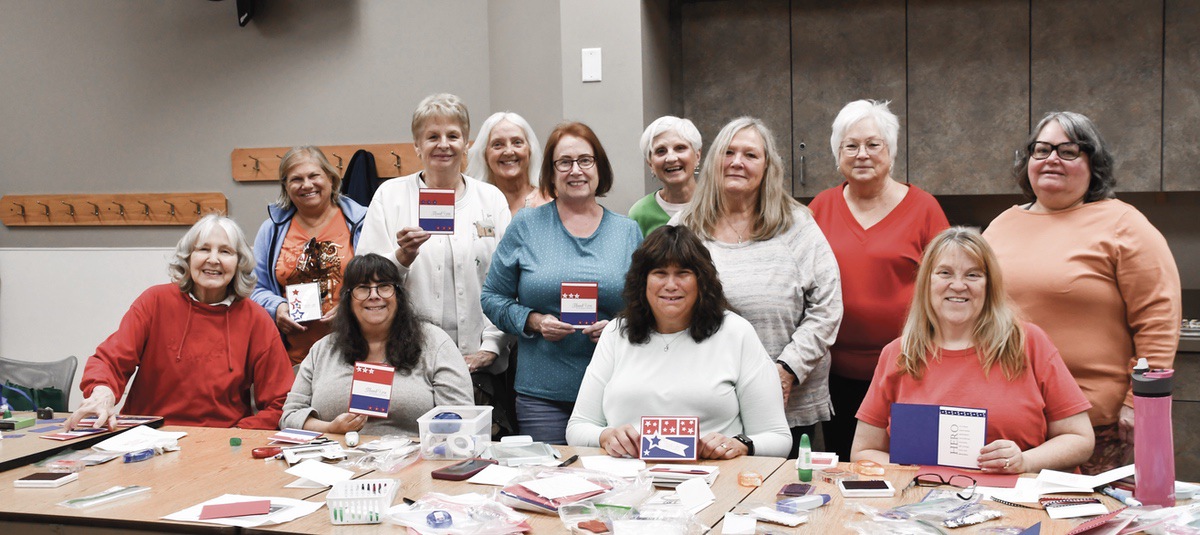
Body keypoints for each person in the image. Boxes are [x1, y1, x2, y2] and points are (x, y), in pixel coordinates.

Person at [983, 111, 1181, 474]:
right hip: (1010, 421)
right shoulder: (1001, 225)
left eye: (1068, 150)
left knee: (1085, 526)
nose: (1051, 159)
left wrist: (1138, 402)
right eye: (1041, 150)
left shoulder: (1124, 224)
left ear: (1094, 161)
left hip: (1094, 425)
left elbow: (1158, 318)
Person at [852, 227, 1094, 473]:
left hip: (1019, 500)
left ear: (990, 285)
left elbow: (1080, 439)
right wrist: (917, 472)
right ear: (927, 282)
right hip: (925, 503)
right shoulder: (899, 353)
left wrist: (1025, 461)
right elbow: (863, 451)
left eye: (973, 275)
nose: (958, 285)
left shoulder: (1028, 342)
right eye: (945, 273)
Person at [673, 116, 842, 457]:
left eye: (750, 155)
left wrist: (786, 370)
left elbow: (827, 306)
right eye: (729, 152)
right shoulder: (684, 227)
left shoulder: (796, 226)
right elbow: (662, 305)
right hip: (708, 401)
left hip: (789, 400)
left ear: (767, 167)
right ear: (712, 162)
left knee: (786, 503)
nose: (737, 162)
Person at [565, 225, 791, 458]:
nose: (671, 285)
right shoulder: (616, 333)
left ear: (701, 281)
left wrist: (741, 444)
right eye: (660, 273)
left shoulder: (736, 332)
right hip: (628, 481)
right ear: (642, 282)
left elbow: (777, 437)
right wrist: (604, 437)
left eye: (683, 273)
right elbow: (578, 427)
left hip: (714, 480)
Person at [481, 121, 643, 444]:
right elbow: (492, 297)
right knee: (548, 483)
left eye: (585, 160)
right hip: (543, 393)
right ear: (551, 173)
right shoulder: (526, 225)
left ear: (599, 167)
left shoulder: (627, 232)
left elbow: (647, 309)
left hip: (613, 392)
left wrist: (615, 327)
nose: (576, 171)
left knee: (610, 482)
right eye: (564, 162)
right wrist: (534, 321)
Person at [809, 100, 949, 459]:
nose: (862, 154)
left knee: (908, 464)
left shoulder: (924, 208)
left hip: (910, 369)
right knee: (847, 467)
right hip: (834, 375)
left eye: (873, 144)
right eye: (850, 145)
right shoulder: (819, 208)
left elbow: (947, 285)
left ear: (891, 151)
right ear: (837, 153)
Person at [65, 215, 294, 430]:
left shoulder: (256, 319)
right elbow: (109, 360)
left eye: (225, 252)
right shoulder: (154, 301)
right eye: (203, 249)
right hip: (145, 436)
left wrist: (235, 436)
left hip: (216, 447)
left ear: (239, 263)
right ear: (188, 257)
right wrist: (102, 393)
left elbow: (281, 402)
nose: (212, 259)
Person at [356, 93, 512, 385]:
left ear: (466, 143)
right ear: (417, 145)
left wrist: (491, 346)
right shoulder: (390, 196)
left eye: (453, 135)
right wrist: (401, 258)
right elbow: (365, 282)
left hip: (482, 365)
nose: (443, 144)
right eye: (432, 136)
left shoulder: (490, 199)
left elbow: (507, 282)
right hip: (408, 361)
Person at [280, 254, 473, 435]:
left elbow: (462, 419)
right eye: (363, 287)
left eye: (384, 286)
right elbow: (289, 417)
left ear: (398, 295)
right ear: (348, 299)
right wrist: (330, 428)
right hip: (336, 462)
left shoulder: (435, 343)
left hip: (414, 462)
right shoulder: (323, 349)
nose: (374, 295)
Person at [251, 146, 367, 365]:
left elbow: (382, 284)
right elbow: (254, 289)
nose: (306, 185)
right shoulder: (271, 230)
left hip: (355, 354)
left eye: (314, 175)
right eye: (296, 179)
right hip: (293, 359)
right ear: (285, 186)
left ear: (331, 179)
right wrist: (277, 308)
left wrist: (351, 305)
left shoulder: (363, 223)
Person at [628, 116, 703, 237]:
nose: (671, 158)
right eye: (661, 151)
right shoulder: (640, 214)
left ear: (697, 156)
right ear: (650, 164)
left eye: (680, 148)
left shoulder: (719, 205)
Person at [466, 111, 551, 216]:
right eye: (498, 144)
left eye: (517, 142)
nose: (509, 151)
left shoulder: (551, 204)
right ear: (484, 154)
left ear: (530, 150)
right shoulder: (473, 206)